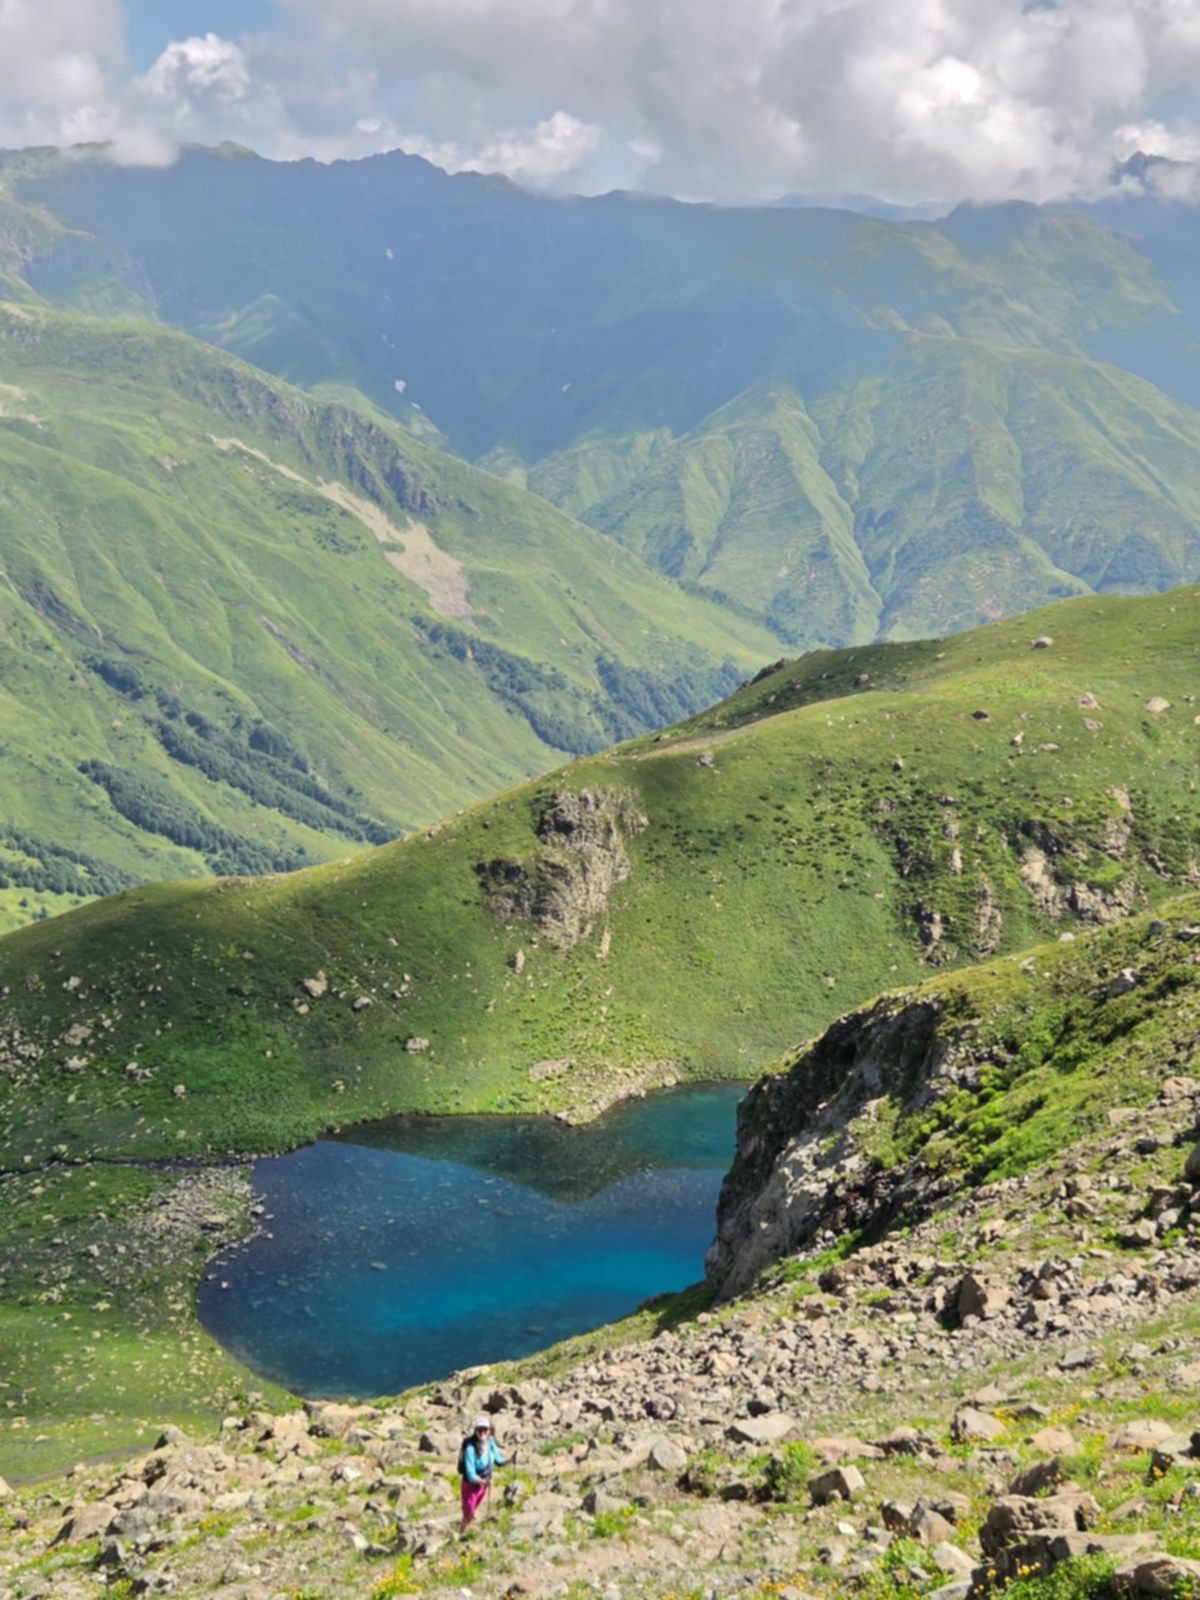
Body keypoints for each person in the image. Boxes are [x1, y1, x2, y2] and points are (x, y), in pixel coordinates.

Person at [458, 1416, 512, 1531]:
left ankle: (463, 1532)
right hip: (470, 1486)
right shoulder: (470, 1448)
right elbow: (470, 1472)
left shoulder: (490, 1443)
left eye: (485, 1430)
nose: (482, 1432)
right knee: (469, 1513)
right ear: (475, 1431)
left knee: (471, 1512)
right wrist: (480, 1481)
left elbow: (498, 1460)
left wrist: (510, 1461)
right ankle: (462, 1533)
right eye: (479, 1430)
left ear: (489, 1431)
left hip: (482, 1485)